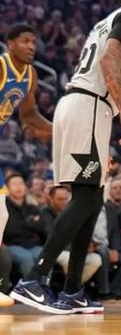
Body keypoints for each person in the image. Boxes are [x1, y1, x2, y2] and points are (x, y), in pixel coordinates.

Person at [11, 0, 121, 314]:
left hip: (81, 106)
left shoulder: (109, 20)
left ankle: (72, 290)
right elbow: (109, 59)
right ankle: (34, 280)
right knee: (85, 198)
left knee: (92, 198)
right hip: (91, 107)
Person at [0, 24, 53, 306]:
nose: (32, 46)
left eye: (34, 41)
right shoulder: (1, 66)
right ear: (10, 44)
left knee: (1, 213)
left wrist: (57, 129)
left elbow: (29, 115)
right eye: (25, 41)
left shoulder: (30, 74)